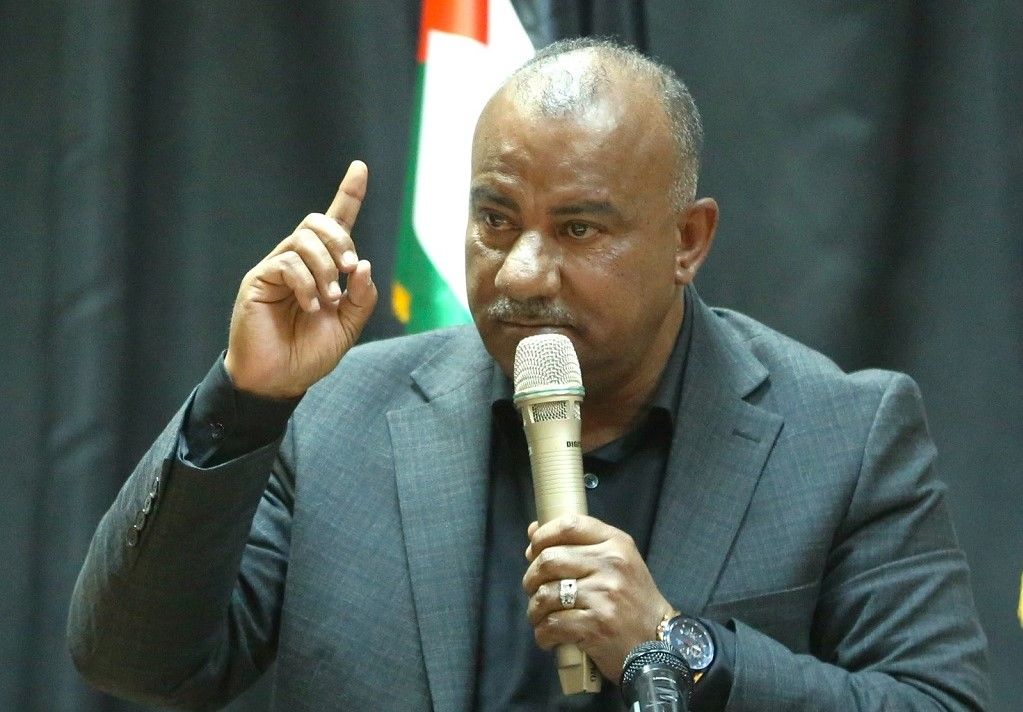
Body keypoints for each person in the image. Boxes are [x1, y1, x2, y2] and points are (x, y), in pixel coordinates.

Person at [67, 38, 989, 711]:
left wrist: (680, 648)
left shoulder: (844, 434)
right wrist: (243, 400)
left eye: (578, 229)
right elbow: (137, 663)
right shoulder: (339, 413)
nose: (520, 273)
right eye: (495, 221)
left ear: (686, 240)